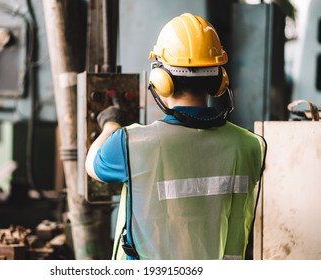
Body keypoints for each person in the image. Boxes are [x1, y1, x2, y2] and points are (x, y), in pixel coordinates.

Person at [85, 13, 266, 260]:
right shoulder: (251, 146)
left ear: (161, 81)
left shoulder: (129, 144)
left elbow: (92, 164)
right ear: (219, 81)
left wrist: (110, 124)